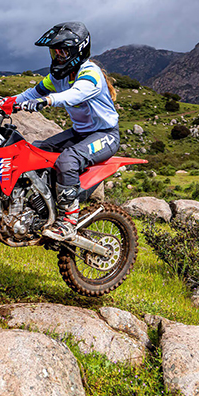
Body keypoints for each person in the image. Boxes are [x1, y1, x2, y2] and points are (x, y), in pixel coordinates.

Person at [12, 21, 120, 241]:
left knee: (67, 161)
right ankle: (39, 207)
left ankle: (68, 222)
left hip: (105, 134)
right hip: (80, 132)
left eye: (62, 51)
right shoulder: (57, 78)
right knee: (34, 151)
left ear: (78, 50)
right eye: (55, 52)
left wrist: (48, 101)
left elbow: (76, 94)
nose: (57, 56)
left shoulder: (91, 73)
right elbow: (32, 92)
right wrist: (5, 103)